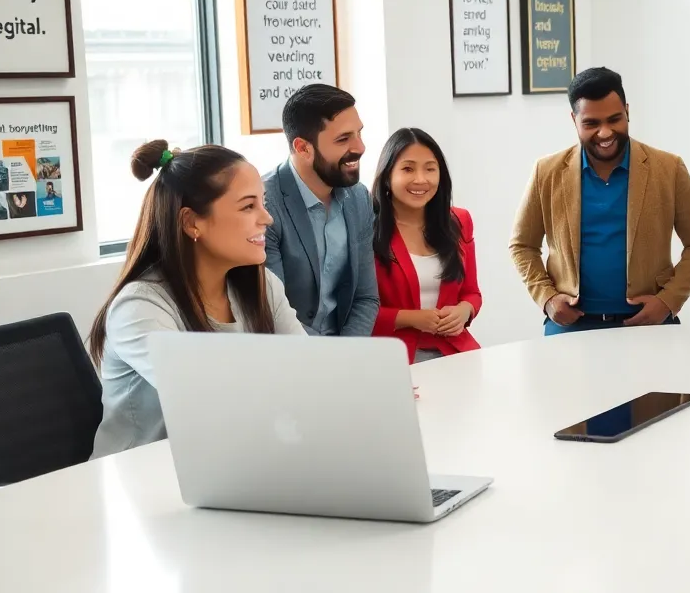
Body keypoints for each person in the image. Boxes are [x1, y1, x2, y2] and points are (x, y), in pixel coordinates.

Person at [90, 141, 306, 458]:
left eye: (264, 203)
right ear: (191, 222)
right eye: (248, 207)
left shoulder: (261, 285)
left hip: (228, 462)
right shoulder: (139, 306)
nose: (267, 219)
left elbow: (306, 372)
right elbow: (211, 401)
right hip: (141, 479)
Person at [510, 66, 690, 335]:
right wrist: (547, 299)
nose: (605, 132)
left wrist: (669, 300)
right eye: (591, 123)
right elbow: (522, 245)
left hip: (647, 322)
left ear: (627, 111)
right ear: (574, 120)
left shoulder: (669, 168)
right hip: (570, 325)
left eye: (614, 119)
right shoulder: (546, 172)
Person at [263, 83, 379, 336]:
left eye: (359, 133)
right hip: (291, 353)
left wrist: (346, 357)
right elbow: (272, 312)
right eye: (343, 139)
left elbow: (366, 298)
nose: (360, 147)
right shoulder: (264, 206)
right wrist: (327, 360)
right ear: (303, 148)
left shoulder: (359, 197)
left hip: (344, 354)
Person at [370, 128, 482, 363]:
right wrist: (411, 318)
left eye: (430, 169)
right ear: (387, 175)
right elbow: (359, 311)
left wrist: (464, 311)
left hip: (455, 352)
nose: (421, 179)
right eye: (408, 169)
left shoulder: (459, 221)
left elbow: (472, 293)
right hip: (395, 358)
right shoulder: (367, 229)